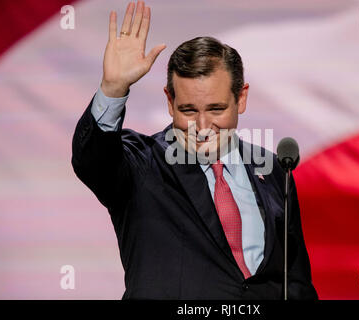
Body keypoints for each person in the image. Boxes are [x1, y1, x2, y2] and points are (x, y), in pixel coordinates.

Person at [71, 1, 318, 300]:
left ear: (241, 98)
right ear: (170, 102)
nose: (202, 126)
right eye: (188, 109)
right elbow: (92, 161)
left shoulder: (274, 169)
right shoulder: (143, 164)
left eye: (216, 109)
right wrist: (112, 89)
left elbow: (296, 281)